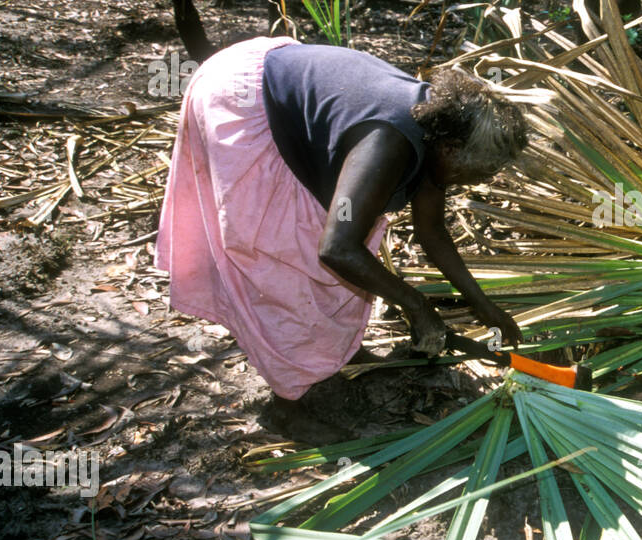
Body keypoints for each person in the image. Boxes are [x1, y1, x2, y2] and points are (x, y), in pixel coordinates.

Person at [155, 36, 527, 417]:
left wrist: (484, 305)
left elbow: (431, 232)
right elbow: (337, 247)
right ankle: (289, 407)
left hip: (279, 78)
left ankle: (339, 354)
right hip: (242, 97)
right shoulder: (387, 142)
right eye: (482, 170)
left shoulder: (441, 129)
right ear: (451, 150)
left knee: (343, 252)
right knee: (284, 259)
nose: (482, 181)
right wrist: (416, 306)